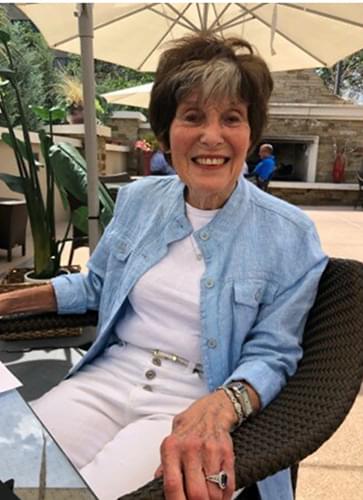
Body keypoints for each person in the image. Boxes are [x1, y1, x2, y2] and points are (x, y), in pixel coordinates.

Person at [0, 33, 328, 500]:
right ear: (166, 132)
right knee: (15, 463)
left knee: (88, 492)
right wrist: (16, 299)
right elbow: (97, 285)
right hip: (106, 379)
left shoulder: (289, 234)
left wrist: (221, 408)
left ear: (250, 133)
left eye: (231, 118)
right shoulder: (138, 200)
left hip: (193, 399)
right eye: (192, 116)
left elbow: (275, 354)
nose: (211, 136)